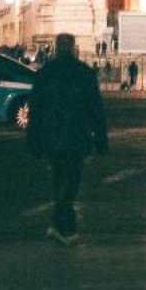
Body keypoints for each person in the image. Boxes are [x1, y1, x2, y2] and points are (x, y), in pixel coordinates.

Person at [28, 32, 109, 244]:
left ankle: (59, 224)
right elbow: (96, 109)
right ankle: (65, 227)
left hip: (52, 136)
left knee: (59, 179)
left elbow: (35, 110)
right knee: (71, 181)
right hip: (76, 136)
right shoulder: (85, 73)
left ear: (55, 47)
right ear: (73, 48)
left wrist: (33, 140)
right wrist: (100, 139)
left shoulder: (44, 73)